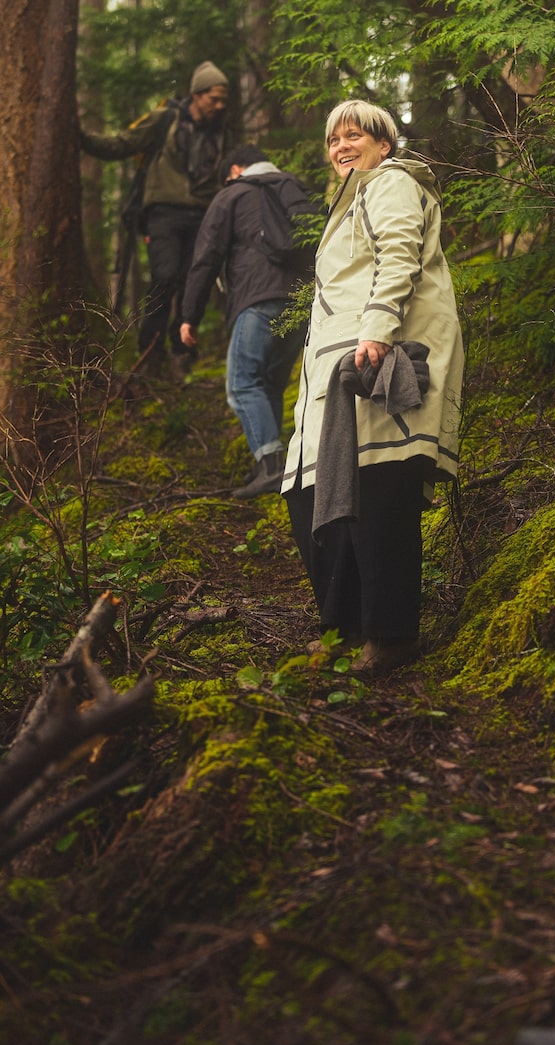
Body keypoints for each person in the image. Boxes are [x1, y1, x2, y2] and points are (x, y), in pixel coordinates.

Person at [280, 99, 464, 675]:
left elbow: (399, 255)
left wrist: (380, 331)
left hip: (374, 363)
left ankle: (390, 634)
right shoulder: (351, 198)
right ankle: (343, 628)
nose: (342, 147)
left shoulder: (390, 182)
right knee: (310, 491)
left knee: (380, 489)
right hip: (333, 373)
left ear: (384, 145)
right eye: (334, 140)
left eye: (354, 135)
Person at [180, 144, 322, 498]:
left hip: (257, 300)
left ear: (235, 168)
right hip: (302, 303)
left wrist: (189, 316)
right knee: (269, 385)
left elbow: (206, 257)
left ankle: (271, 464)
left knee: (242, 384)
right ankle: (273, 464)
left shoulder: (233, 194)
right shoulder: (294, 187)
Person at [80, 61, 230, 371]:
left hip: (203, 216)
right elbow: (124, 143)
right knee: (164, 276)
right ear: (196, 94)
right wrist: (81, 138)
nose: (220, 105)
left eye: (223, 99)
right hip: (163, 213)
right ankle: (149, 352)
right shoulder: (165, 119)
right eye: (214, 98)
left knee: (194, 284)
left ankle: (182, 349)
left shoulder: (221, 131)